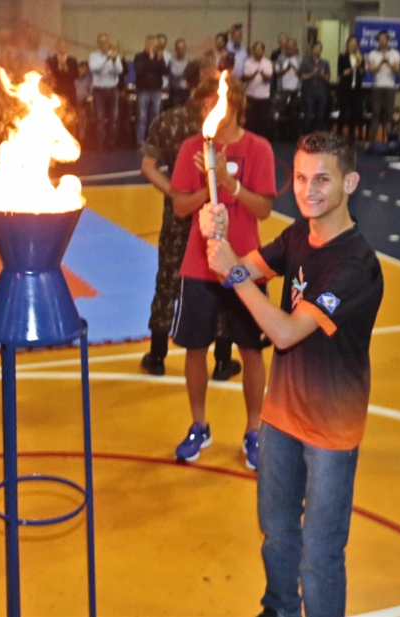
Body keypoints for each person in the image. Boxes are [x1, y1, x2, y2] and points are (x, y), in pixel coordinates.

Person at [200, 131, 383, 617]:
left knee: (319, 556)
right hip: (280, 415)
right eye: (301, 177)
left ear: (351, 183)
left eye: (322, 179)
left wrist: (233, 272)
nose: (308, 190)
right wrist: (215, 236)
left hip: (330, 430)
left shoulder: (357, 267)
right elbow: (239, 270)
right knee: (277, 534)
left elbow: (283, 332)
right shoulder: (299, 235)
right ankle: (279, 609)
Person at [169, 73, 275, 470]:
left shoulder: (259, 149)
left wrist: (228, 182)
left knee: (251, 351)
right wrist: (207, 180)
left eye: (214, 102)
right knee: (195, 349)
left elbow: (263, 209)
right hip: (199, 266)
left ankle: (253, 431)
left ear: (234, 106)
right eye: (202, 104)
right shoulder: (191, 149)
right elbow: (180, 207)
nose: (206, 110)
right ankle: (199, 426)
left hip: (246, 265)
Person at [139, 63, 239, 381]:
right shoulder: (224, 122)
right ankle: (222, 359)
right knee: (223, 278)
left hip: (179, 212)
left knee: (168, 279)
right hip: (218, 211)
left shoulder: (167, 121)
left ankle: (157, 354)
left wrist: (173, 192)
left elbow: (148, 167)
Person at [89, 33, 123, 150]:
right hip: (99, 91)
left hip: (112, 90)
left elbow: (119, 71)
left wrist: (113, 62)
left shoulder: (114, 56)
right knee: (100, 118)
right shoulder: (93, 56)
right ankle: (100, 145)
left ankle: (111, 144)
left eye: (106, 42)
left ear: (108, 43)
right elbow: (95, 69)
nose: (104, 45)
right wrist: (107, 60)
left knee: (113, 118)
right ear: (98, 44)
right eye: (101, 42)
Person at [134, 35, 168, 147]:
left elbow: (164, 71)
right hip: (143, 90)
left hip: (156, 91)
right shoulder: (139, 56)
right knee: (142, 117)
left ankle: (152, 140)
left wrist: (159, 60)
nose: (151, 46)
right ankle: (140, 141)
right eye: (149, 44)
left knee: (154, 117)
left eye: (153, 45)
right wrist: (149, 58)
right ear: (145, 44)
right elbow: (139, 70)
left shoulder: (158, 57)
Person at [367, 30, 400, 142]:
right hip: (377, 86)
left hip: (390, 86)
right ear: (377, 41)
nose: (383, 41)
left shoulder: (395, 54)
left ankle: (388, 140)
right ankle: (371, 141)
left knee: (388, 114)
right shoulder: (373, 54)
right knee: (375, 113)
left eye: (385, 39)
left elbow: (397, 70)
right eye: (380, 39)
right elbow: (371, 70)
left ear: (388, 40)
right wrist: (381, 62)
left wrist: (388, 63)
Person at [337, 36, 365, 140]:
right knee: (343, 111)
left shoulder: (360, 57)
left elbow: (362, 73)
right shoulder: (342, 57)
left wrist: (360, 64)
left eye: (356, 43)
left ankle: (351, 134)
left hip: (356, 88)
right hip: (345, 87)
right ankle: (339, 133)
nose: (354, 44)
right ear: (348, 44)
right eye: (352, 42)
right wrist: (353, 67)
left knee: (354, 111)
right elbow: (342, 73)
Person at [243, 41, 273, 140]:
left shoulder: (267, 63)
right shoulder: (248, 62)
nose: (257, 51)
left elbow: (268, 78)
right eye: (256, 49)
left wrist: (263, 73)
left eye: (260, 49)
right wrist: (255, 72)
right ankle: (250, 140)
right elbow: (245, 77)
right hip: (251, 95)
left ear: (263, 51)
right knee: (251, 122)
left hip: (264, 96)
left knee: (263, 122)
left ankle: (263, 142)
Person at [299, 42, 330, 133]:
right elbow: (302, 76)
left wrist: (322, 74)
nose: (317, 51)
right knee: (308, 115)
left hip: (321, 93)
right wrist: (313, 73)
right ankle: (306, 136)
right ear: (311, 50)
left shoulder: (325, 63)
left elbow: (328, 78)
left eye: (319, 49)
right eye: (315, 48)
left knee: (319, 116)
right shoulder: (305, 62)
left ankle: (317, 137)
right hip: (308, 93)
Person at [46, 37, 79, 109]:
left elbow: (76, 75)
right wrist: (59, 67)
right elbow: (50, 74)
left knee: (71, 112)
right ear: (56, 47)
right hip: (56, 90)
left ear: (67, 47)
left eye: (64, 46)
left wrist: (66, 68)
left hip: (69, 91)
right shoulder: (51, 60)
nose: (62, 47)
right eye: (60, 45)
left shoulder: (72, 60)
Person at [167, 39, 190, 109]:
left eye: (183, 48)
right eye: (179, 49)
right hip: (175, 92)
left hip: (186, 91)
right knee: (175, 112)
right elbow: (175, 75)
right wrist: (185, 74)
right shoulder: (172, 61)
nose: (181, 51)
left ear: (185, 49)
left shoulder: (188, 60)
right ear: (176, 49)